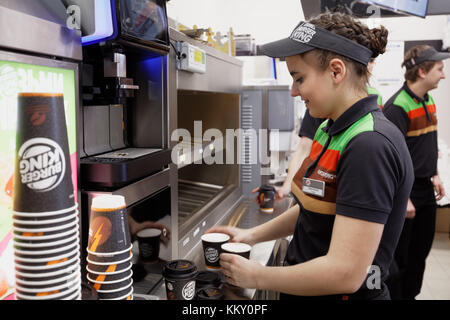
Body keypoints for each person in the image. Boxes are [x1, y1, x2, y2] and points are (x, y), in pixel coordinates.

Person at [206, 12, 414, 300]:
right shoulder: (329, 129)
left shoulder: (369, 146)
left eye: (299, 78)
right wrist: (249, 235)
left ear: (336, 71)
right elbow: (313, 209)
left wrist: (256, 275)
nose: (293, 91)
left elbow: (346, 273)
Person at [252, 60, 382, 203]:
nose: (294, 92)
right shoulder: (319, 111)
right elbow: (304, 147)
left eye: (300, 79)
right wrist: (286, 188)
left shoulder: (369, 141)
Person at [383, 45, 449, 300]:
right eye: (439, 69)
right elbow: (391, 158)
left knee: (421, 252)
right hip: (406, 193)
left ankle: (411, 295)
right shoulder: (397, 107)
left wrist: (435, 174)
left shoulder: (428, 100)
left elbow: (427, 144)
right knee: (401, 258)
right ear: (422, 71)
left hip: (426, 188)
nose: (443, 75)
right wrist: (404, 197)